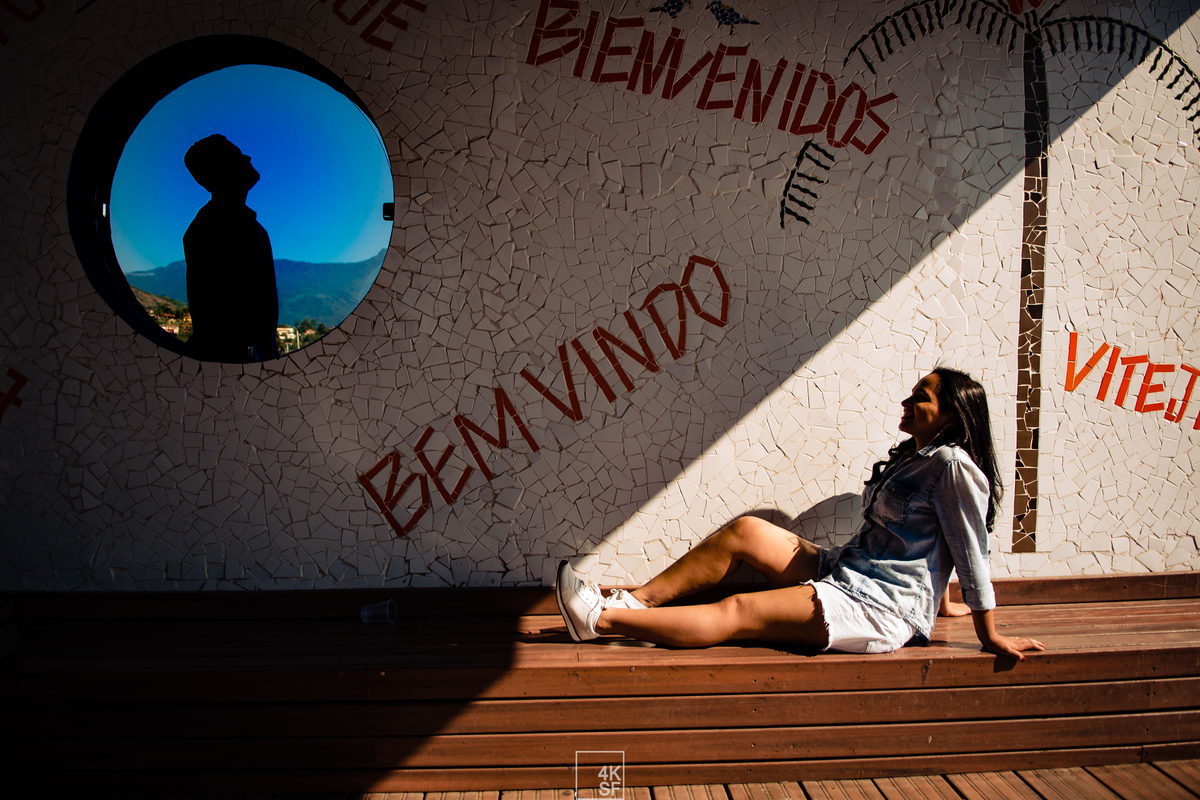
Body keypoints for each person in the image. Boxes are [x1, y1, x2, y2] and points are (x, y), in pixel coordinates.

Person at [556, 368, 1046, 660]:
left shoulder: (952, 466)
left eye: (921, 395)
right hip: (850, 572)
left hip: (878, 609)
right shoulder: (914, 459)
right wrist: (938, 600)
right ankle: (638, 600)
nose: (906, 399)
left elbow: (969, 549)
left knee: (741, 611)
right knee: (746, 531)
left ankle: (602, 620)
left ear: (953, 415)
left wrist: (989, 632)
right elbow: (924, 546)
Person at [183, 134, 279, 362]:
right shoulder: (211, 229)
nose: (247, 157)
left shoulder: (246, 225)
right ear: (218, 172)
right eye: (235, 156)